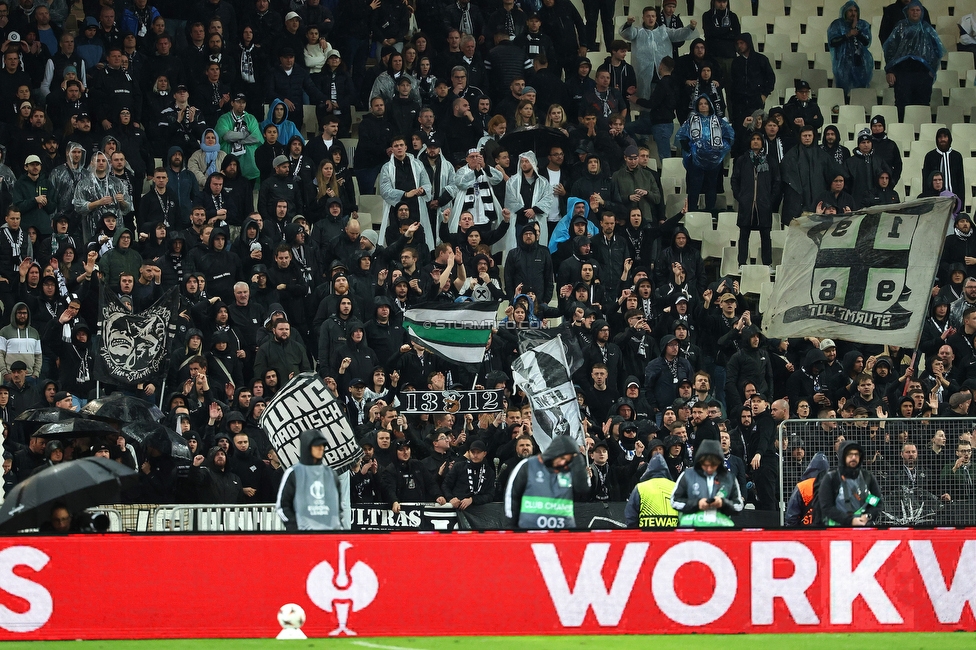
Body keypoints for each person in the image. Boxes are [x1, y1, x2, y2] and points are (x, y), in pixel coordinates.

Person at [504, 434, 589, 529]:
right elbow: (512, 497)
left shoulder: (569, 469)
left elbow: (583, 489)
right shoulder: (527, 466)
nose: (562, 463)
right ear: (554, 452)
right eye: (562, 458)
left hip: (564, 531)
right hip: (531, 530)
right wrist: (511, 528)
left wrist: (579, 460)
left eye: (567, 460)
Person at [275, 429, 351, 530]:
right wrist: (295, 528)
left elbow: (338, 506)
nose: (321, 448)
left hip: (329, 535)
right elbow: (283, 506)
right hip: (303, 537)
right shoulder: (293, 473)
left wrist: (337, 528)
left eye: (323, 445)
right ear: (307, 447)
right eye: (317, 445)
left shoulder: (330, 474)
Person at [883, 0, 945, 122]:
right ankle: (901, 129)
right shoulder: (899, 27)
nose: (915, 12)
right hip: (902, 73)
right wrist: (890, 71)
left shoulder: (927, 29)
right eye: (912, 10)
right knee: (902, 105)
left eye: (918, 10)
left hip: (923, 74)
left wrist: (931, 71)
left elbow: (936, 50)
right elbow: (890, 50)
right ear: (907, 11)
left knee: (922, 106)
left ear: (922, 12)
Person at [619, 7, 697, 102]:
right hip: (644, 75)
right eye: (648, 16)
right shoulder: (637, 31)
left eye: (653, 16)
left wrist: (690, 28)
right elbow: (627, 34)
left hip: (662, 76)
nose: (651, 19)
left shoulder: (664, 31)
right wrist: (629, 23)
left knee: (662, 104)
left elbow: (678, 34)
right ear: (643, 17)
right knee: (645, 105)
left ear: (656, 17)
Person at [675, 95, 733, 211]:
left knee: (712, 186)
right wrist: (690, 150)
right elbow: (681, 136)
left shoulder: (719, 121)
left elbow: (729, 136)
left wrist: (721, 150)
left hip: (714, 161)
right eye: (700, 103)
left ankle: (709, 211)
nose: (703, 106)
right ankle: (692, 211)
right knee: (694, 187)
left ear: (710, 105)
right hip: (695, 161)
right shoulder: (691, 121)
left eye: (705, 103)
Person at [731, 132, 779, 270]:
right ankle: (741, 263)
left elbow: (776, 181)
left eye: (758, 139)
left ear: (763, 142)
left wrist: (771, 199)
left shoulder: (770, 160)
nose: (756, 142)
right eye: (753, 139)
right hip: (746, 204)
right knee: (744, 235)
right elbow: (735, 179)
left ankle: (767, 263)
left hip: (764, 204)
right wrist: (740, 196)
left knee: (765, 235)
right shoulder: (742, 160)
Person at [670, 438, 744, 526]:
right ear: (699, 462)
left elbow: (738, 506)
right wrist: (697, 504)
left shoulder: (729, 478)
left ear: (719, 463)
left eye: (713, 465)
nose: (709, 469)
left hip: (720, 529)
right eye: (705, 465)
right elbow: (674, 501)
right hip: (692, 528)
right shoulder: (687, 475)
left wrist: (723, 503)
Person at [817, 440, 883, 526]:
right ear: (843, 456)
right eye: (850, 454)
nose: (853, 457)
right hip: (836, 531)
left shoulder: (867, 477)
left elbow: (876, 502)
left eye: (856, 454)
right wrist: (850, 521)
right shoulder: (832, 478)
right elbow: (827, 507)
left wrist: (868, 516)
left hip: (863, 528)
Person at [828, 1, 874, 95]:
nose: (853, 13)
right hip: (843, 63)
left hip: (860, 62)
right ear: (845, 12)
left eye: (855, 11)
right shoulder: (837, 24)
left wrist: (857, 32)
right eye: (850, 11)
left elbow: (866, 42)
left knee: (859, 92)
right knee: (843, 91)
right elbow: (833, 42)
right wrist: (847, 35)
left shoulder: (863, 25)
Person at [624, 454, 679, 527]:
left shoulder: (640, 488)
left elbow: (630, 516)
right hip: (671, 536)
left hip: (646, 536)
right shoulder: (676, 487)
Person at [921, 128, 966, 201]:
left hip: (953, 198)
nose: (943, 139)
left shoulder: (957, 156)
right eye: (940, 137)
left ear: (949, 139)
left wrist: (960, 202)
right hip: (935, 199)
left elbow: (960, 180)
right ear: (937, 139)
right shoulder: (930, 156)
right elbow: (926, 181)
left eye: (945, 137)